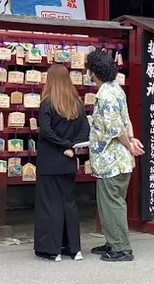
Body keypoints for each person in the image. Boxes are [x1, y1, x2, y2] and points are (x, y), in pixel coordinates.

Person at [86, 48, 142, 262]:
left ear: (94, 72)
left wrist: (129, 145)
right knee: (107, 203)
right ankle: (112, 241)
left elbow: (116, 129)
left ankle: (121, 247)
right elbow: (126, 120)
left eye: (89, 70)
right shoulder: (116, 89)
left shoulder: (107, 96)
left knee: (112, 203)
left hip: (112, 159)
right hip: (113, 160)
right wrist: (133, 140)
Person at [34, 64, 89, 261]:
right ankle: (74, 248)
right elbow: (85, 130)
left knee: (50, 204)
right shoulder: (76, 104)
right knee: (68, 203)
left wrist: (64, 145)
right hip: (69, 161)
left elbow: (46, 131)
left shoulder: (47, 103)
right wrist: (73, 147)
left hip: (50, 161)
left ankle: (52, 249)